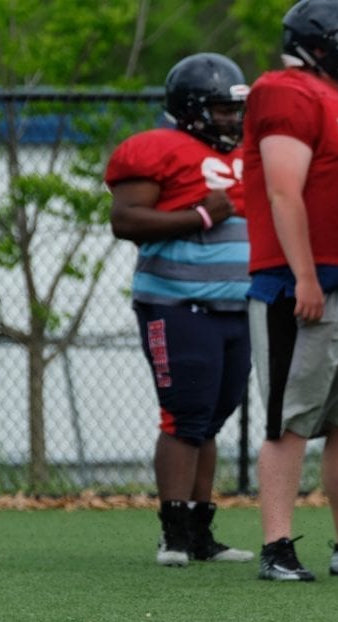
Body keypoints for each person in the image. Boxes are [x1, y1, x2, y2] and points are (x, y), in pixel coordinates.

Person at [243, 0, 338, 582]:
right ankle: (276, 544)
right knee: (289, 419)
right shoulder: (287, 91)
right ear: (318, 43)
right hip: (299, 286)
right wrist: (302, 273)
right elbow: (283, 191)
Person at [105, 53, 255, 567]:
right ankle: (172, 534)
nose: (232, 119)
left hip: (236, 306)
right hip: (177, 302)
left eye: (235, 109)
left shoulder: (245, 152)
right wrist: (195, 215)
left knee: (211, 418)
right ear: (191, 109)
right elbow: (125, 220)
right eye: (220, 109)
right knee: (185, 414)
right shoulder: (157, 148)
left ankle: (199, 531)